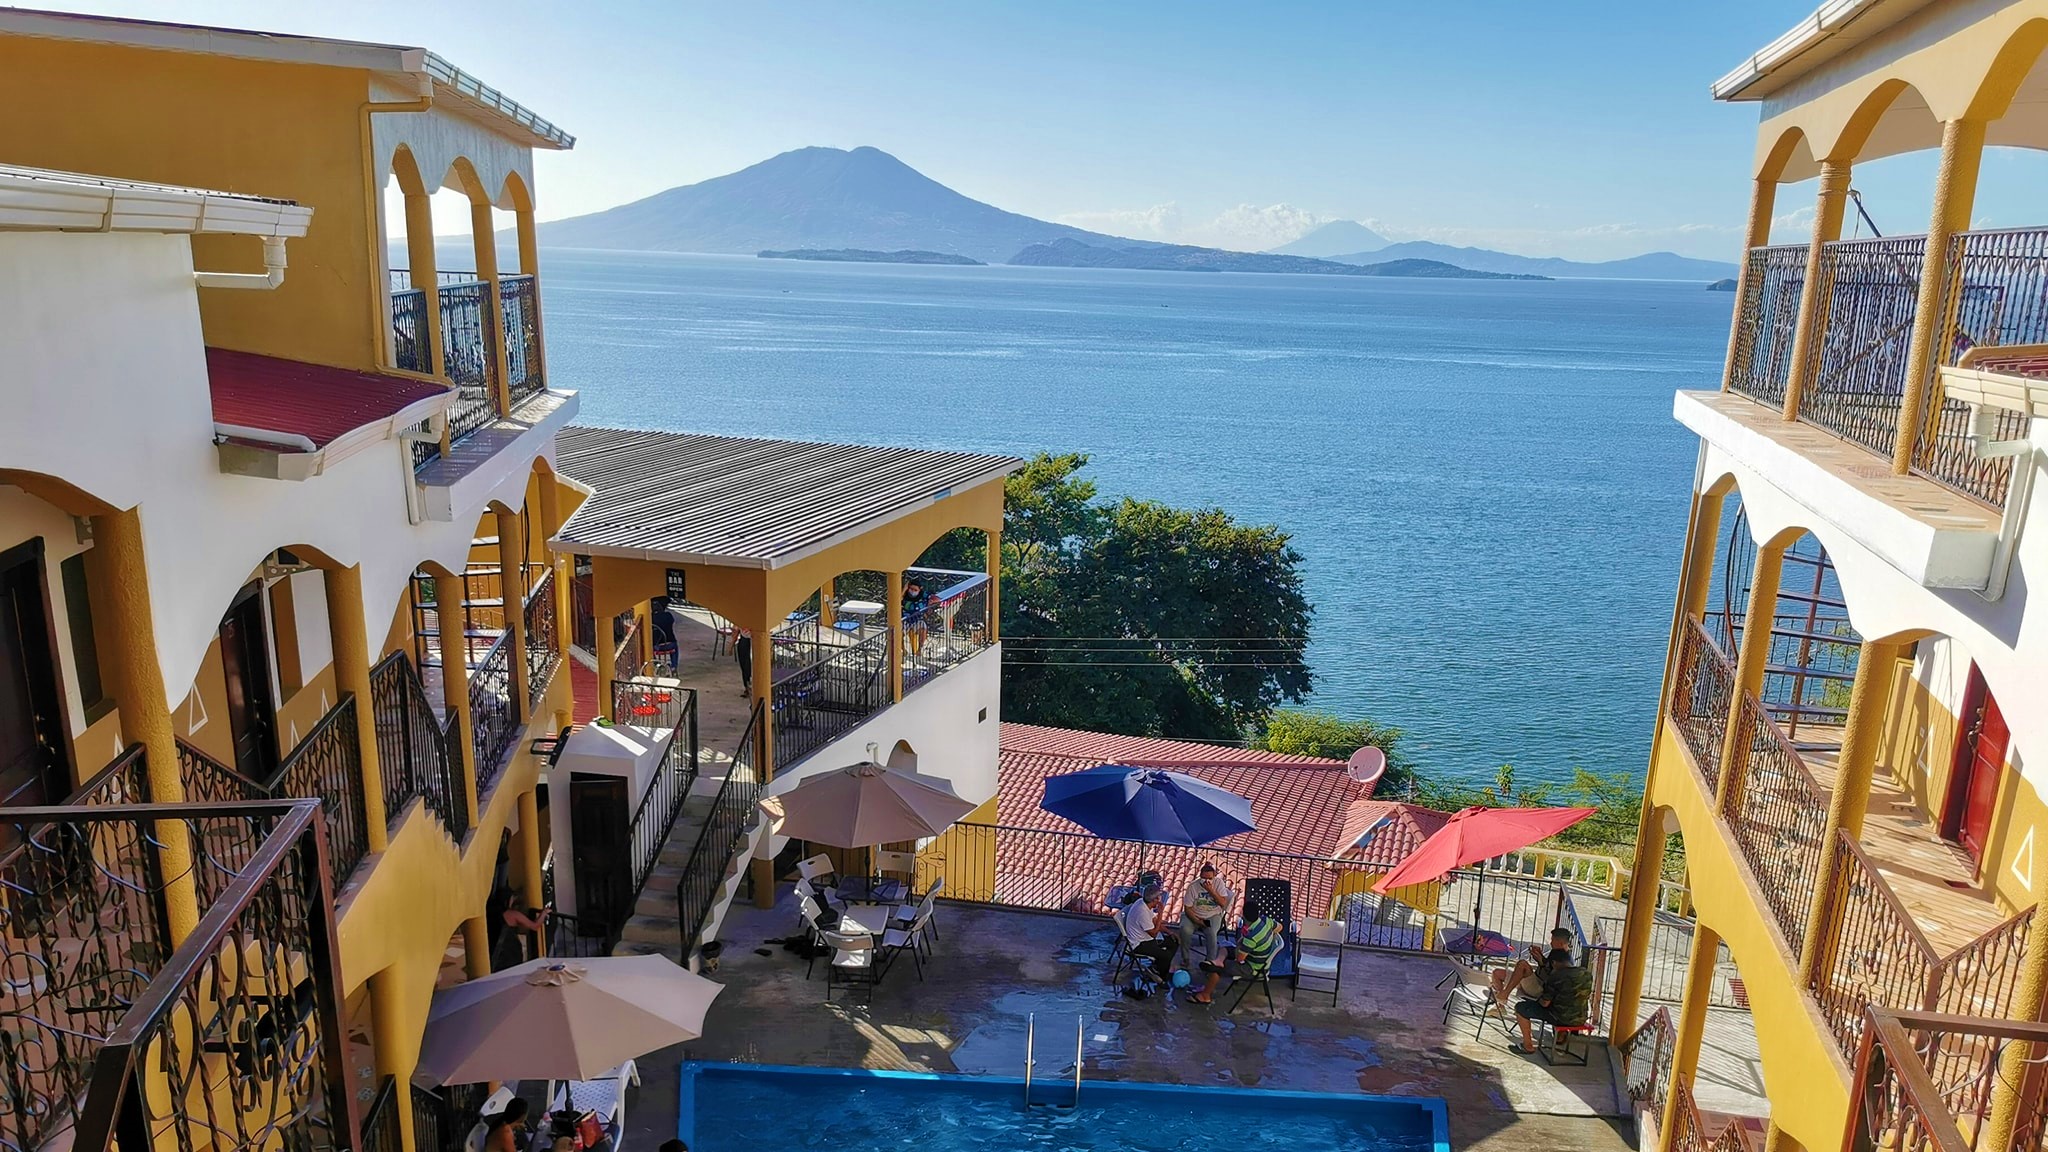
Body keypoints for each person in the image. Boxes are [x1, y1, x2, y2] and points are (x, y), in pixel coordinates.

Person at [1189, 911, 1282, 1005]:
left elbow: (1239, 959)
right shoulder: (1266, 921)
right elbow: (1280, 927)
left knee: (1217, 970)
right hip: (1256, 959)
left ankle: (1205, 996)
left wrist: (1242, 940)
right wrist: (1265, 938)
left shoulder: (1250, 938)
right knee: (1225, 949)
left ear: (1245, 918)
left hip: (1251, 968)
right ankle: (1218, 961)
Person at [1515, 944, 1593, 1053]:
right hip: (1580, 1018)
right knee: (1562, 1007)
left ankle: (1527, 1045)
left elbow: (1545, 1003)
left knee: (1521, 1007)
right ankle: (1561, 1036)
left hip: (1560, 1017)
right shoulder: (1586, 974)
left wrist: (1536, 1000)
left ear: (1554, 963)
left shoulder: (1556, 976)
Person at [1490, 928, 1575, 1003]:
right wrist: (1540, 957)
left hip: (1540, 989)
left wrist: (1541, 962)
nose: (1551, 943)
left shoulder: (1566, 961)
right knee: (1497, 973)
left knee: (1522, 964)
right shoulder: (1555, 951)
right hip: (1535, 979)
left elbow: (1552, 979)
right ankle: (1500, 1006)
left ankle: (1505, 994)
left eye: (1553, 941)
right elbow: (1547, 966)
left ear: (1560, 943)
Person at [1178, 862, 1234, 963]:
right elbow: (1187, 908)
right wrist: (1198, 921)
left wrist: (1211, 891)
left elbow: (1223, 903)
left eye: (1210, 879)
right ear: (1200, 876)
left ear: (1214, 877)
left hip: (1212, 915)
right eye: (1204, 878)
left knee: (1211, 933)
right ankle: (1185, 958)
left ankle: (1210, 961)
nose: (1207, 881)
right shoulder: (1193, 886)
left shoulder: (1218, 883)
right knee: (1185, 929)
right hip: (1194, 915)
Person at [1121, 884, 1179, 983]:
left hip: (1147, 938)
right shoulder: (1142, 912)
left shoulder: (1144, 903)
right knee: (1166, 955)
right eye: (1159, 897)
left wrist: (1170, 932)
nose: (1160, 899)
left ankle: (1156, 969)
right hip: (1139, 944)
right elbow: (1154, 934)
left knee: (1174, 942)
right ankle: (1161, 979)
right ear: (1155, 899)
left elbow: (1155, 922)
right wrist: (1161, 914)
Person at [901, 579, 931, 657]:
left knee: (923, 628)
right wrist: (904, 590)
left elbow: (934, 598)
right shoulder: (904, 595)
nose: (912, 591)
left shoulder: (923, 595)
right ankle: (903, 650)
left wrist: (929, 607)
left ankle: (919, 650)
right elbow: (897, 601)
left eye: (915, 590)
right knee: (897, 633)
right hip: (905, 619)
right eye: (911, 589)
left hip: (917, 619)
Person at [733, 628, 753, 696]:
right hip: (745, 639)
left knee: (746, 665)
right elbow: (736, 629)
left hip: (752, 638)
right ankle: (747, 687)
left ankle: (749, 686)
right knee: (745, 665)